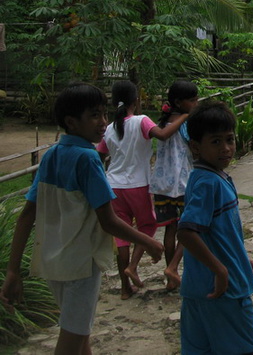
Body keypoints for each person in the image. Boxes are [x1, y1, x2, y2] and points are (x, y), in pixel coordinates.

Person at [0, 82, 164, 355]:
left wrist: (13, 270)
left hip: (54, 260)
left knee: (79, 332)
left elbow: (27, 215)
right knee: (72, 337)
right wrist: (148, 242)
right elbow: (108, 220)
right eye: (94, 115)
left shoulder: (52, 154)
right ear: (71, 122)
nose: (103, 122)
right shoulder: (88, 159)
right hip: (80, 264)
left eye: (103, 114)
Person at [177, 100, 253, 355]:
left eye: (230, 139)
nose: (226, 148)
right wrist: (221, 270)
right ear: (195, 146)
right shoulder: (208, 183)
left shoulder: (205, 177)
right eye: (215, 142)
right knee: (246, 348)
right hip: (224, 289)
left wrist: (240, 256)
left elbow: (217, 233)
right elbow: (186, 231)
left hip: (198, 287)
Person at [97, 80, 188, 299]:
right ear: (136, 101)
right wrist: (184, 116)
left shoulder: (109, 129)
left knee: (122, 235)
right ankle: (133, 267)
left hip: (114, 186)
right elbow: (163, 135)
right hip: (138, 184)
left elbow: (99, 156)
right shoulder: (141, 121)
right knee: (147, 225)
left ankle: (125, 288)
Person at [149, 80, 198, 291]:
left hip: (162, 183)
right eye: (192, 100)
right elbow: (193, 147)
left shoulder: (163, 122)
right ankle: (174, 268)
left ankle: (170, 276)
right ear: (180, 102)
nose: (196, 103)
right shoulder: (185, 124)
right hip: (183, 181)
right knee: (189, 228)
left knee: (170, 228)